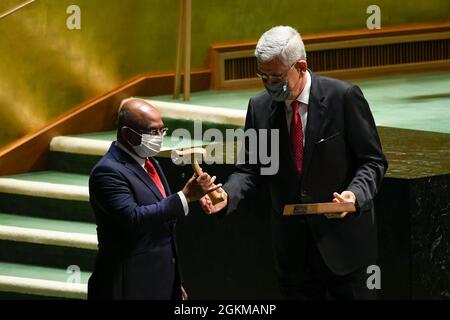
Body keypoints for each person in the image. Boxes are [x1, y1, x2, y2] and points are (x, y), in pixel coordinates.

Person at [200, 26, 388, 299]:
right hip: (293, 254)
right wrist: (227, 195)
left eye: (276, 76)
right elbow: (250, 168)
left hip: (344, 247)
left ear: (301, 66)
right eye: (262, 76)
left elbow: (372, 161)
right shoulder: (260, 107)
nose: (269, 84)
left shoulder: (343, 97)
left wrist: (354, 196)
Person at [88, 98, 219, 300]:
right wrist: (184, 197)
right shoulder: (107, 172)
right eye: (152, 132)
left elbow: (160, 214)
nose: (159, 137)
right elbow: (135, 218)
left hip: (160, 280)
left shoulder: (150, 163)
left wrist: (174, 281)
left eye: (161, 131)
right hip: (128, 285)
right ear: (126, 133)